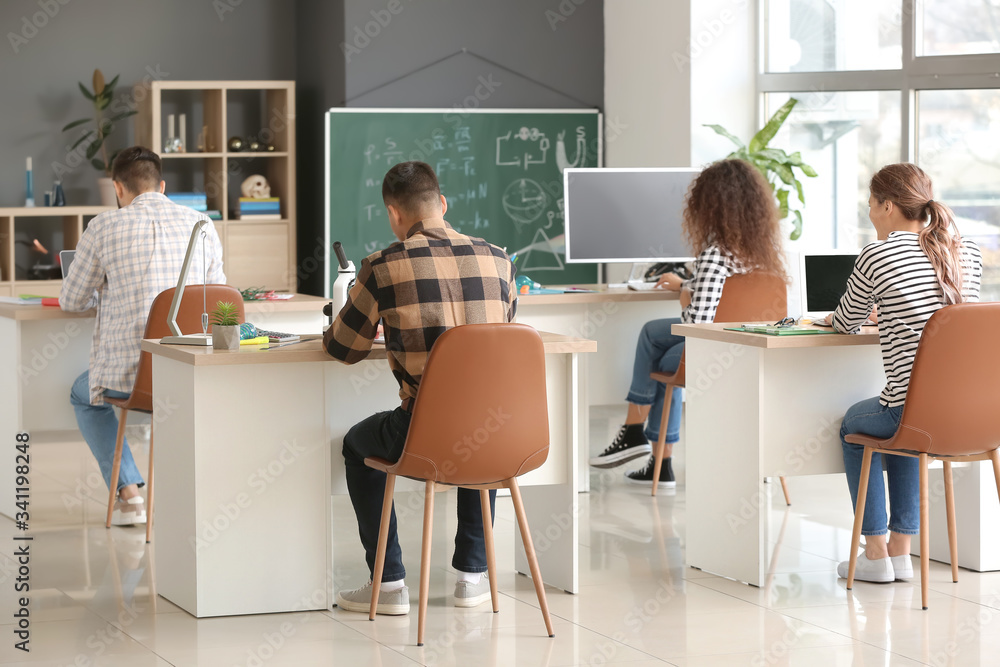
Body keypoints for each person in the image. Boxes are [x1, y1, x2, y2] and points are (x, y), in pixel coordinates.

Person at [324, 161, 517, 616]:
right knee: (479, 427)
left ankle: (389, 585)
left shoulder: (381, 266)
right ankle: (472, 578)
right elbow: (499, 336)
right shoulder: (499, 258)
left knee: (357, 443)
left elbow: (345, 349)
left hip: (424, 433)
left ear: (394, 214)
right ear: (443, 203)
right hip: (500, 431)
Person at [589, 159, 787, 486]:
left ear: (710, 206)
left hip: (710, 354)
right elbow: (735, 303)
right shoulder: (764, 254)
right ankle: (650, 452)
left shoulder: (715, 254)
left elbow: (697, 325)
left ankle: (643, 440)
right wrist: (686, 285)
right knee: (652, 331)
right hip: (751, 351)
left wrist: (685, 300)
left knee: (661, 358)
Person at [832, 163, 982, 583]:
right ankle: (901, 551)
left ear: (887, 205)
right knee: (905, 432)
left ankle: (875, 552)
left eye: (869, 205)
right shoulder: (964, 249)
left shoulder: (878, 253)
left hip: (912, 414)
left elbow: (845, 322)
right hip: (971, 414)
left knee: (854, 426)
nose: (869, 213)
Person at [61, 146, 225, 526]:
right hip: (190, 369)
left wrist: (107, 288)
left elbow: (71, 300)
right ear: (162, 185)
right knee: (172, 395)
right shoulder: (202, 224)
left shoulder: (103, 226)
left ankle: (130, 496)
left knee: (82, 394)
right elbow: (218, 297)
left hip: (135, 379)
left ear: (119, 189)